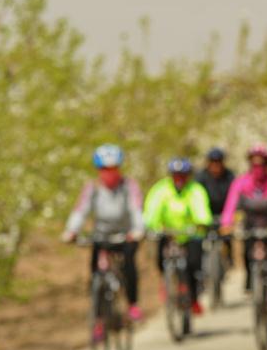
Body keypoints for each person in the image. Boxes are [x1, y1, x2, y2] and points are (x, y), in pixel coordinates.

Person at [63, 144, 145, 340]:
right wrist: (71, 231)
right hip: (101, 236)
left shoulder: (129, 186)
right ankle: (98, 320)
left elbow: (136, 209)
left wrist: (138, 230)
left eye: (113, 168)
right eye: (105, 169)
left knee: (129, 267)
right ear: (99, 170)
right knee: (95, 275)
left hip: (125, 235)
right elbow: (80, 211)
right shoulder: (92, 188)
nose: (109, 173)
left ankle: (132, 304)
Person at [221, 143, 267, 332]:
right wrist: (226, 224)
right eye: (254, 164)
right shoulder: (241, 182)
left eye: (262, 164)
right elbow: (231, 204)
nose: (258, 168)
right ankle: (253, 286)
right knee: (248, 259)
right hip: (251, 231)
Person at [143, 158, 212, 316]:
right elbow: (152, 210)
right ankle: (167, 283)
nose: (179, 179)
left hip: (190, 234)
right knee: (160, 262)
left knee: (193, 265)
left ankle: (193, 298)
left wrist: (202, 222)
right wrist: (151, 226)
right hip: (167, 234)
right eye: (176, 175)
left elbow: (200, 208)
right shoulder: (161, 189)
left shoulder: (195, 189)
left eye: (183, 175)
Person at [195, 147, 235, 262]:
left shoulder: (229, 176)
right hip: (205, 214)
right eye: (213, 162)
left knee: (227, 238)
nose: (216, 165)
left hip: (224, 214)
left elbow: (234, 197)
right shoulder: (200, 177)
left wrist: (231, 216)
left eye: (218, 162)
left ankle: (228, 260)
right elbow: (196, 198)